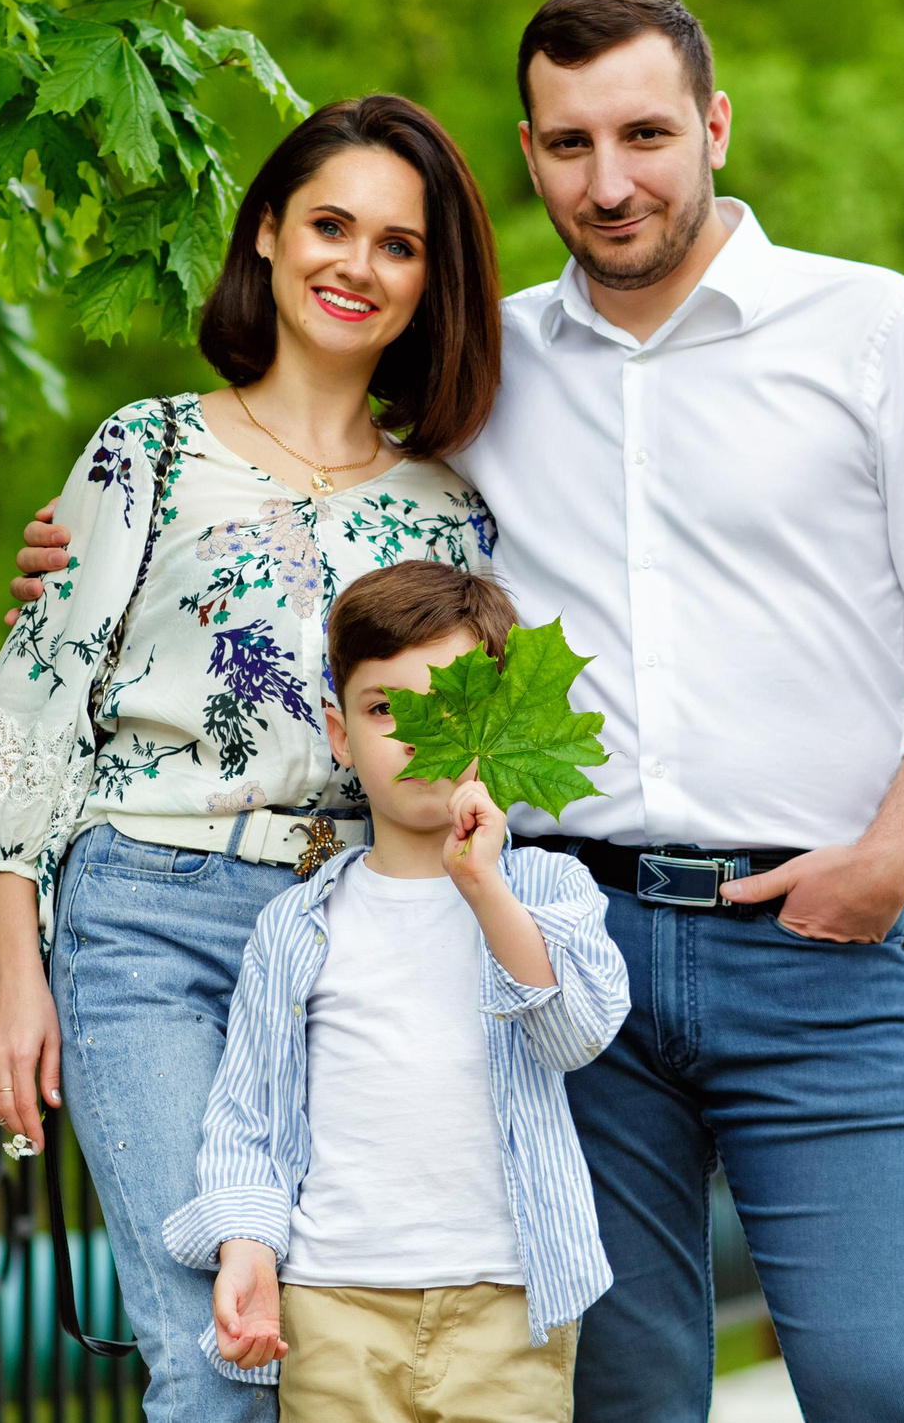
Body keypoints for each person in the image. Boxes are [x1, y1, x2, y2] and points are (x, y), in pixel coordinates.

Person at [10, 0, 904, 1422]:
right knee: (619, 1392)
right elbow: (319, 507)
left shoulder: (872, 330)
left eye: (645, 134)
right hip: (561, 945)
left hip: (816, 932)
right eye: (569, 145)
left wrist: (897, 855)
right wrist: (89, 548)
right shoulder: (481, 374)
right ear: (530, 149)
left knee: (882, 1377)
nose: (609, 182)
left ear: (716, 125)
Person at [0, 92, 507, 1422]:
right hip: (149, 923)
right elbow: (26, 720)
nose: (355, 265)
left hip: (356, 943)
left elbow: (469, 754)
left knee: (340, 1347)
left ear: (431, 283)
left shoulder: (452, 511)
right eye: (328, 224)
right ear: (265, 234)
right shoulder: (148, 449)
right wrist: (15, 970)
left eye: (398, 244)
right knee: (214, 1348)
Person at [162, 561, 628, 1423]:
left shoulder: (547, 891)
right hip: (333, 1303)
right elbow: (249, 1120)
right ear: (340, 733)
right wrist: (247, 1251)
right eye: (385, 710)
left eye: (449, 710)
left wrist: (488, 889)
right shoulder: (296, 926)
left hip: (506, 1299)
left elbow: (579, 1033)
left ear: (495, 722)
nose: (417, 737)